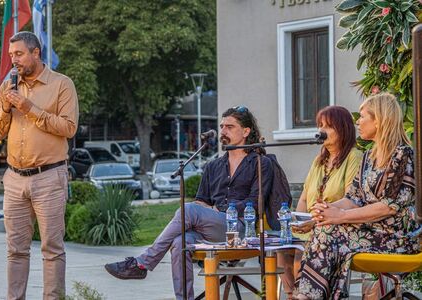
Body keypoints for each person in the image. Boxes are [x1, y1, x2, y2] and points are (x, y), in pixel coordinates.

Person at [105, 106, 273, 300]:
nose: (223, 131)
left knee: (189, 210)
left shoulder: (261, 163)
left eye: (230, 126)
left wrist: (222, 209)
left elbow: (256, 203)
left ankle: (142, 263)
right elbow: (202, 201)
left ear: (246, 131)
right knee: (179, 242)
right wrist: (209, 209)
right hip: (212, 229)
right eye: (222, 126)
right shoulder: (213, 165)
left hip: (242, 229)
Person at [294, 93, 420, 300]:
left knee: (327, 233)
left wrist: (340, 216)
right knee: (324, 226)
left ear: (379, 120)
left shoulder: (402, 155)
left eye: (362, 117)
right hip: (370, 231)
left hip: (396, 236)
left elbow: (389, 207)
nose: (357, 122)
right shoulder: (369, 156)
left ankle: (308, 297)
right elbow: (353, 198)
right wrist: (326, 211)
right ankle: (310, 296)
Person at [0, 31, 79, 300]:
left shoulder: (62, 84)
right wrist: (6, 107)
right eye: (10, 55)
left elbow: (69, 127)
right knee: (15, 249)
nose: (13, 61)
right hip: (15, 178)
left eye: (18, 54)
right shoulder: (8, 86)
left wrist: (29, 108)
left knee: (51, 248)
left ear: (36, 52)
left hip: (49, 176)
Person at [277, 106, 362, 299]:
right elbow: (306, 197)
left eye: (328, 126)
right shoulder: (319, 161)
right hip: (310, 224)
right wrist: (297, 222)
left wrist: (314, 221)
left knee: (299, 257)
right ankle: (293, 295)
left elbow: (351, 199)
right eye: (320, 125)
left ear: (343, 129)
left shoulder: (354, 157)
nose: (321, 131)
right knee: (279, 251)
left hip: (335, 226)